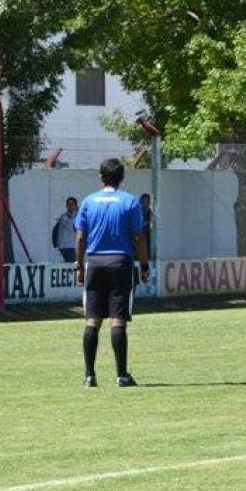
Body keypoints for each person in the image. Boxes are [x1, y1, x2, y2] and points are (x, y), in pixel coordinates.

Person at [75, 158, 150, 388]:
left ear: (101, 177)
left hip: (95, 262)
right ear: (122, 177)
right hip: (120, 262)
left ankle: (89, 375)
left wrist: (79, 266)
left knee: (92, 320)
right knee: (117, 320)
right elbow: (138, 237)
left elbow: (80, 237)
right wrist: (144, 265)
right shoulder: (130, 202)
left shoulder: (89, 201)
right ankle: (122, 375)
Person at [53, 197, 78, 263]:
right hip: (65, 246)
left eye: (72, 204)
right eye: (69, 204)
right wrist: (56, 243)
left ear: (75, 205)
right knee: (70, 264)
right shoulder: (63, 217)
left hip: (74, 245)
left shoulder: (77, 217)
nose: (70, 206)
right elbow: (55, 230)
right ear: (66, 206)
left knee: (72, 264)